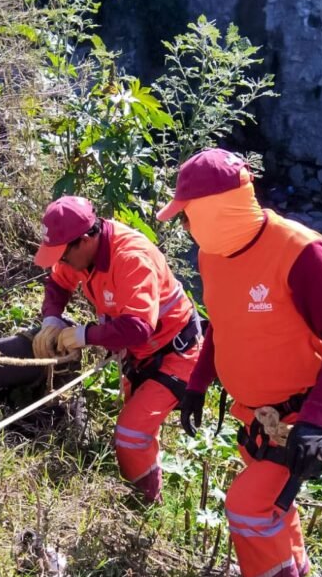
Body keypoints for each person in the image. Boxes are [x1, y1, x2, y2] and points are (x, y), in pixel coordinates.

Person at [156, 148, 322, 577]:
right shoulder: (213, 254)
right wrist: (197, 383)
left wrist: (314, 421)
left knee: (247, 507)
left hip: (298, 421)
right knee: (274, 510)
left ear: (215, 209)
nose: (185, 225)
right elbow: (222, 323)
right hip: (252, 416)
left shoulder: (299, 251)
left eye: (188, 214)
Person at [31, 195, 203, 503]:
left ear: (84, 240)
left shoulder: (131, 258)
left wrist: (84, 335)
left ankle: (144, 504)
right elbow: (58, 284)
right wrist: (52, 319)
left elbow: (138, 327)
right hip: (139, 356)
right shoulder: (81, 256)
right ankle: (143, 490)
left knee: (131, 435)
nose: (61, 262)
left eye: (63, 255)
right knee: (138, 433)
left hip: (175, 354)